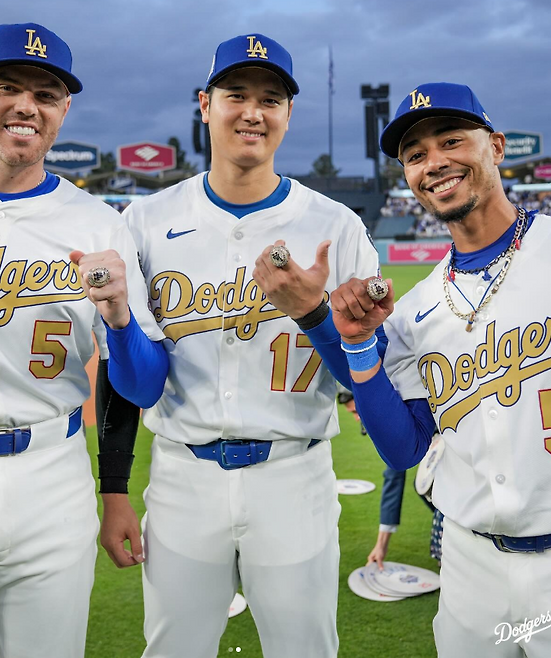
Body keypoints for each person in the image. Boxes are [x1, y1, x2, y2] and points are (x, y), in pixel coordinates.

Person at [100, 33, 379, 658]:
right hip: (182, 476)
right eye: (236, 95)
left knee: (305, 650)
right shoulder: (144, 221)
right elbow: (138, 383)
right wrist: (114, 487)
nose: (253, 112)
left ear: (288, 114)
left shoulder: (336, 227)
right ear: (205, 105)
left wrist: (313, 313)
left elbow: (361, 377)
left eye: (270, 99)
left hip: (294, 475)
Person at [0, 22, 166, 658]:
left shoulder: (100, 224)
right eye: (7, 87)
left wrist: (120, 320)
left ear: (63, 110)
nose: (26, 105)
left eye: (45, 94)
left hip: (51, 479)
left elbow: (144, 385)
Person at [331, 82, 551, 657]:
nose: (433, 162)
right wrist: (358, 346)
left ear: (497, 147)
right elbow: (404, 449)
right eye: (415, 155)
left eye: (451, 141)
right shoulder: (415, 310)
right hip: (470, 564)